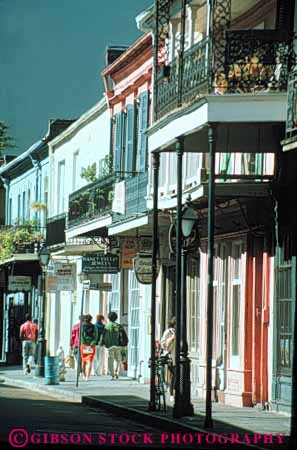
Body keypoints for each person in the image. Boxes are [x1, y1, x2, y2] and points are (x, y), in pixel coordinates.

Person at [100, 311, 128, 381]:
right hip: (118, 345)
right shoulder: (119, 326)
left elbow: (103, 336)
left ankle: (112, 374)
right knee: (118, 359)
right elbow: (124, 336)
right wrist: (125, 343)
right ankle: (117, 372)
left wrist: (101, 343)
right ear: (116, 318)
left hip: (109, 346)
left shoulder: (106, 326)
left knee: (110, 360)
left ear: (109, 318)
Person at [161, 316, 176, 402]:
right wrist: (171, 338)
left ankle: (173, 391)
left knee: (175, 375)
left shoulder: (178, 331)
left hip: (177, 356)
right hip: (170, 356)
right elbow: (163, 343)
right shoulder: (168, 331)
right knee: (172, 375)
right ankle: (171, 393)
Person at [80, 314, 98, 381]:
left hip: (84, 346)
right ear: (91, 319)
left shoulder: (82, 327)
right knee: (90, 361)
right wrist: (92, 343)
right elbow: (96, 336)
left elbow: (81, 336)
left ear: (85, 319)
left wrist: (84, 343)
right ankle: (88, 376)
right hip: (91, 346)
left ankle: (84, 375)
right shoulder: (94, 327)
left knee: (83, 361)